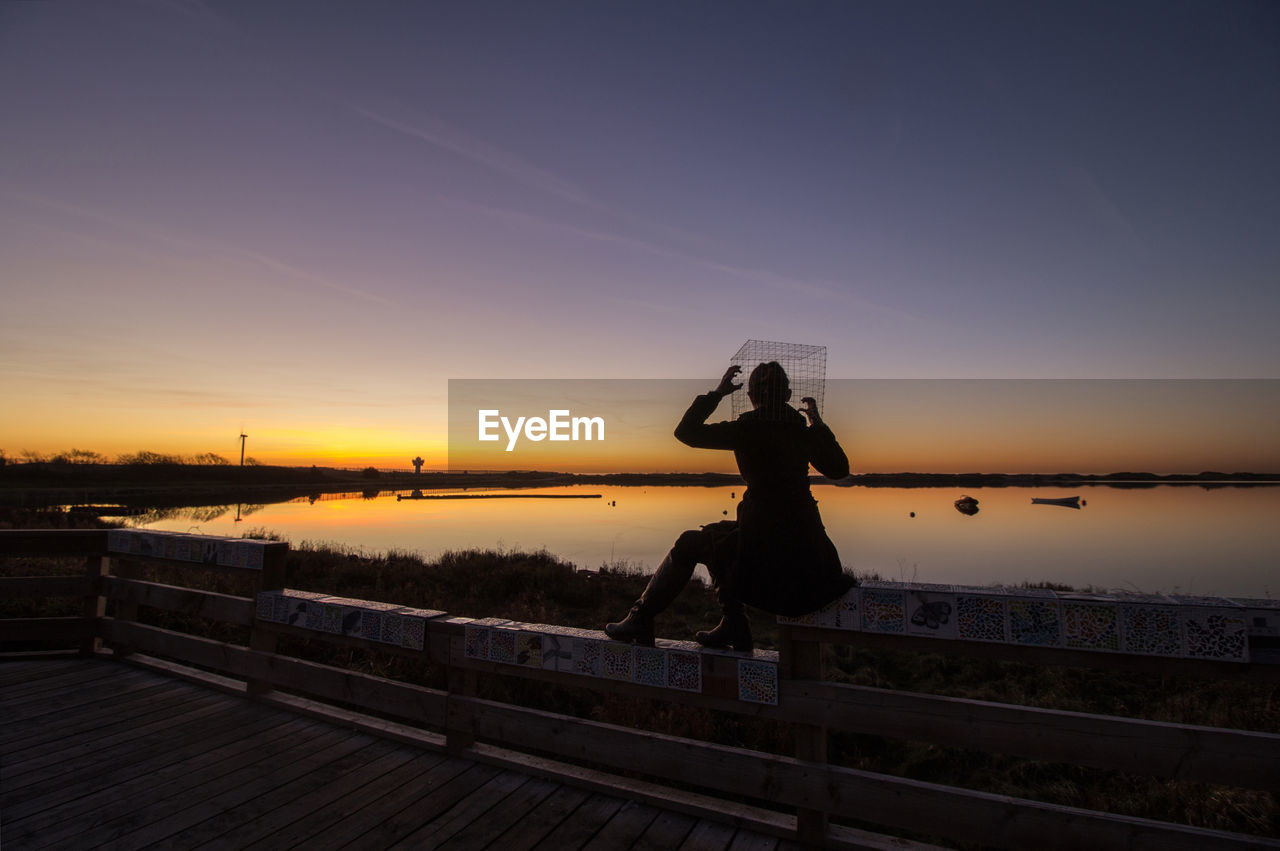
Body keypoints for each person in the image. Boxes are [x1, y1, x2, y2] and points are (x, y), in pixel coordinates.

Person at [605, 361, 855, 651]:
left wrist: (719, 392)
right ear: (787, 395)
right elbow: (839, 469)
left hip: (769, 561)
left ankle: (641, 618)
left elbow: (686, 432)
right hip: (811, 560)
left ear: (750, 396)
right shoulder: (803, 432)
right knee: (716, 536)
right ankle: (733, 624)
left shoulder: (747, 429)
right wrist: (818, 424)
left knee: (691, 543)